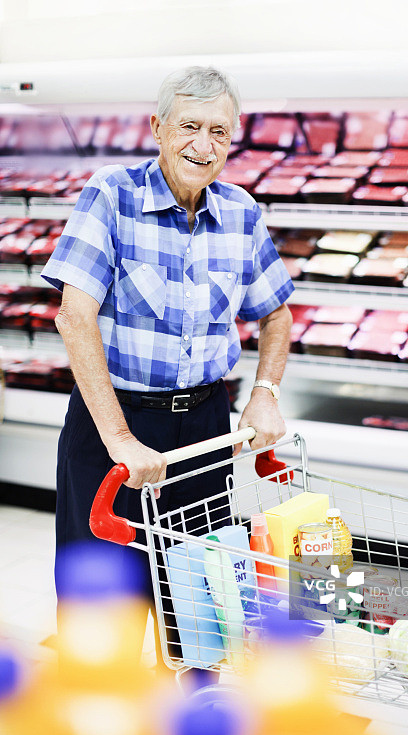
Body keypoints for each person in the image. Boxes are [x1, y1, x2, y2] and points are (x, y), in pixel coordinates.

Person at [41, 65, 294, 664]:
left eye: (220, 132)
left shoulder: (240, 212)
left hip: (205, 431)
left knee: (202, 606)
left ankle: (192, 725)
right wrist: (121, 438)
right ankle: (98, 731)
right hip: (114, 429)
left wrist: (265, 392)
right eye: (189, 127)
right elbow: (74, 317)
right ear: (156, 127)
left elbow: (277, 313)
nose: (203, 147)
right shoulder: (112, 194)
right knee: (102, 612)